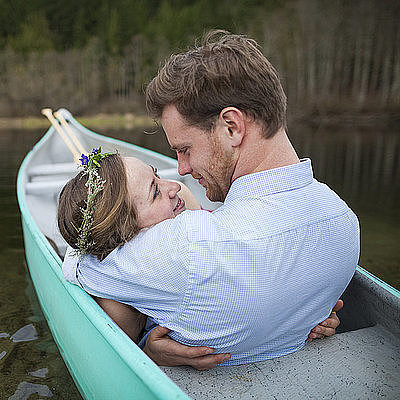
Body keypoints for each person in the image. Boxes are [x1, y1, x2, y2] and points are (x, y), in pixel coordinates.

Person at [59, 30, 359, 368]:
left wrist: (146, 349)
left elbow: (84, 254)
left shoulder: (185, 247)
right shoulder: (344, 221)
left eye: (184, 150)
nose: (182, 170)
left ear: (231, 127)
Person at [58, 150, 346, 366]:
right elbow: (120, 360)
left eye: (157, 174)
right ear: (126, 234)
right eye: (155, 191)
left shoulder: (190, 224)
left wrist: (308, 306)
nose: (174, 184)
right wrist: (149, 353)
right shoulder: (117, 298)